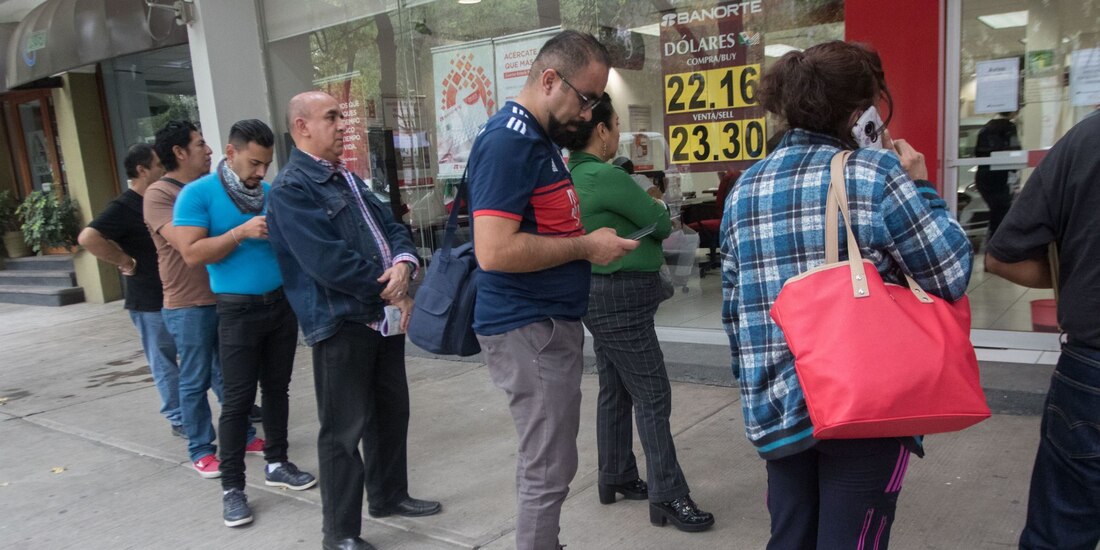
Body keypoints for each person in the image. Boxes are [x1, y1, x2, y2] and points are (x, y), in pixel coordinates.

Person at [719, 41, 972, 549]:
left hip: (778, 411)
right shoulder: (877, 175)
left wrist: (763, 389)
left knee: (789, 537)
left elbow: (734, 310)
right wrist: (920, 185)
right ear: (862, 114)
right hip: (866, 406)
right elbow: (950, 271)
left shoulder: (745, 188)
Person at [466, 30, 638, 550]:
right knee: (550, 465)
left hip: (542, 323)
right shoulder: (509, 141)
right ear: (548, 79)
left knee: (549, 458)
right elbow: (493, 251)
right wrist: (586, 247)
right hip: (528, 325)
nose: (588, 115)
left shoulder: (535, 139)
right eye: (585, 99)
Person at [267, 91, 440, 550]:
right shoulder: (292, 189)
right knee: (343, 431)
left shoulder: (347, 178)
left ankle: (388, 495)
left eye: (341, 116)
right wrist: (392, 289)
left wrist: (404, 263)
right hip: (341, 322)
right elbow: (327, 262)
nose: (342, 124)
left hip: (380, 316)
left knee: (390, 413)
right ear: (301, 126)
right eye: (331, 117)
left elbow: (393, 225)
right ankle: (340, 533)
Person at [559, 92, 714, 532]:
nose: (618, 135)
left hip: (599, 293)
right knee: (653, 393)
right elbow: (662, 222)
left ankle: (616, 475)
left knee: (615, 387)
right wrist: (654, 212)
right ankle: (669, 494)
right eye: (616, 126)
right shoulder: (605, 177)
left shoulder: (571, 175)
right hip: (621, 298)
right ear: (602, 131)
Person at [172, 119, 316, 528]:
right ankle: (233, 488)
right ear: (230, 153)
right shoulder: (197, 195)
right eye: (253, 163)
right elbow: (193, 254)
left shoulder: (271, 194)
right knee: (237, 401)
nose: (260, 173)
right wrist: (240, 232)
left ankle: (278, 462)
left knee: (278, 390)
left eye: (266, 164)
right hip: (236, 310)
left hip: (279, 306)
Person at [984, 114, 1100, 550]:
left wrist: (1079, 272)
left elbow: (1002, 257)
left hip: (1092, 368)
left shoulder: (1088, 139)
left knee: (1061, 533)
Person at [145, 120, 259, 479]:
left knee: (229, 375)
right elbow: (187, 246)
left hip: (223, 296)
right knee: (194, 378)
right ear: (179, 153)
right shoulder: (160, 195)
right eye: (199, 144)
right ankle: (200, 447)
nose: (209, 150)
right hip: (188, 303)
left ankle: (243, 435)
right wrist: (236, 232)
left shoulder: (212, 188)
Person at [78, 144, 182, 438]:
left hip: (178, 292)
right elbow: (88, 237)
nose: (164, 169)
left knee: (203, 354)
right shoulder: (124, 207)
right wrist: (125, 261)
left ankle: (236, 406)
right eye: (159, 164)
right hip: (148, 299)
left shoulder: (162, 199)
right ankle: (178, 416)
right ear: (142, 170)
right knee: (164, 359)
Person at [974, 111, 1021, 240]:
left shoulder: (986, 127)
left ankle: (993, 241)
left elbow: (978, 152)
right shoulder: (1009, 127)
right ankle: (996, 244)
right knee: (1001, 212)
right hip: (998, 178)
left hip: (983, 176)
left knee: (997, 212)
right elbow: (1015, 150)